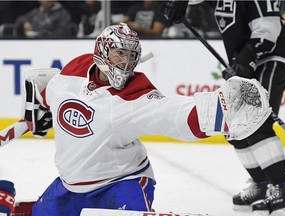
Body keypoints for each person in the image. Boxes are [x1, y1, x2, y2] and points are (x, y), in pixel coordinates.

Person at [21, 23, 270, 215]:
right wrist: (38, 107)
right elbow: (48, 87)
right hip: (70, 186)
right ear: (102, 51)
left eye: (131, 56)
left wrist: (222, 111)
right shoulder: (74, 71)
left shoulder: (136, 96)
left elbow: (177, 115)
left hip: (120, 184)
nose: (126, 63)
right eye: (120, 54)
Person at [161, 1, 285, 215]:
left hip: (270, 56)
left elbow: (268, 26)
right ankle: (263, 183)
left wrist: (246, 58)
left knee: (256, 123)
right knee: (233, 126)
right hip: (244, 62)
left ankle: (283, 187)